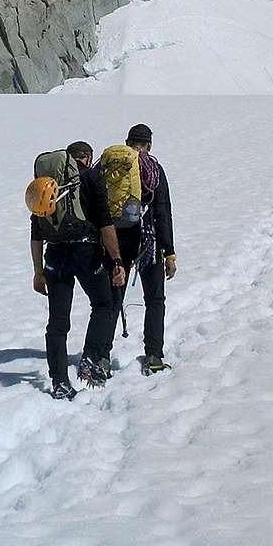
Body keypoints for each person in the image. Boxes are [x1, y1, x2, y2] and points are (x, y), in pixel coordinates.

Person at [31, 141, 125, 399]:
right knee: (104, 304)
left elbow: (36, 232)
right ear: (87, 158)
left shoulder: (49, 186)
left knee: (58, 322)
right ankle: (91, 358)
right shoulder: (92, 179)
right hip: (86, 253)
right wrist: (116, 260)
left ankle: (60, 381)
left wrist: (38, 271)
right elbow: (105, 223)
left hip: (55, 256)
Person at [112, 123, 177, 374]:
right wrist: (169, 252)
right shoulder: (154, 170)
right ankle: (153, 355)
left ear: (127, 142)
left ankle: (101, 356)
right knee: (155, 299)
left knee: (112, 299)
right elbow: (162, 211)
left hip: (117, 241)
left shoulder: (114, 168)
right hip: (148, 241)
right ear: (148, 145)